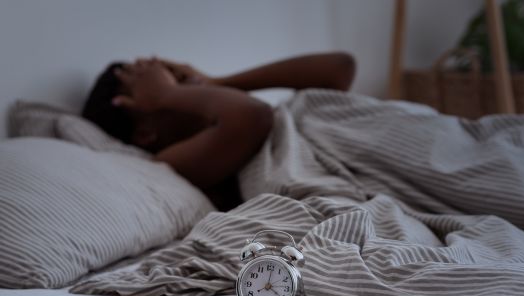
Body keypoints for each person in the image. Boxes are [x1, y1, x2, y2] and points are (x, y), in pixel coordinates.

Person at [82, 52, 356, 210]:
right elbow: (253, 116)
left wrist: (216, 81)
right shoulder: (170, 163)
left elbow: (341, 67)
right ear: (145, 134)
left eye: (171, 75)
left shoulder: (239, 107)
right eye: (158, 87)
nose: (174, 78)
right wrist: (170, 93)